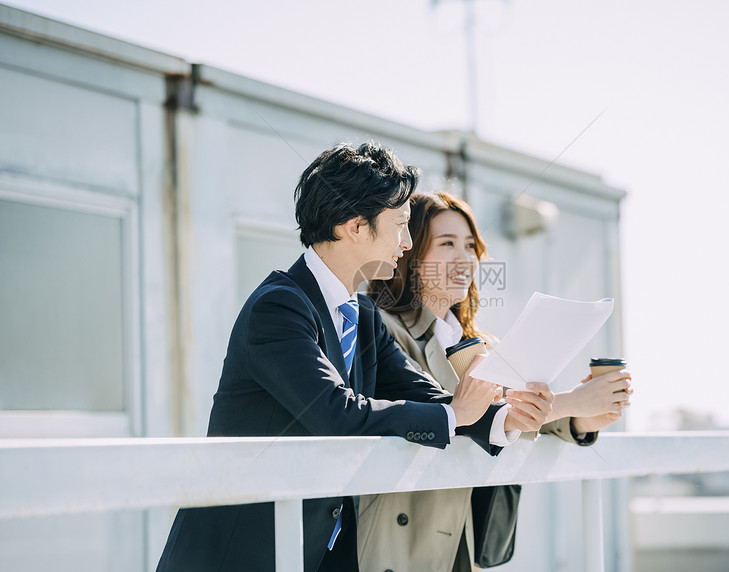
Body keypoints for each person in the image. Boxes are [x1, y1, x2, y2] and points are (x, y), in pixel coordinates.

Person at [155, 142, 554, 572]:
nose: (406, 242)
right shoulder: (279, 307)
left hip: (315, 554)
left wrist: (499, 416)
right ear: (355, 227)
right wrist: (455, 416)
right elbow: (335, 412)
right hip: (237, 556)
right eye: (400, 225)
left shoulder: (362, 314)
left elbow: (417, 390)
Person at [359, 191, 632, 571]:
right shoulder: (382, 328)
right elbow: (447, 409)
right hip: (401, 535)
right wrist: (572, 401)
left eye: (471, 246)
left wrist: (585, 418)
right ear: (410, 253)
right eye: (447, 243)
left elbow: (520, 419)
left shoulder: (487, 346)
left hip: (463, 537)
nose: (464, 257)